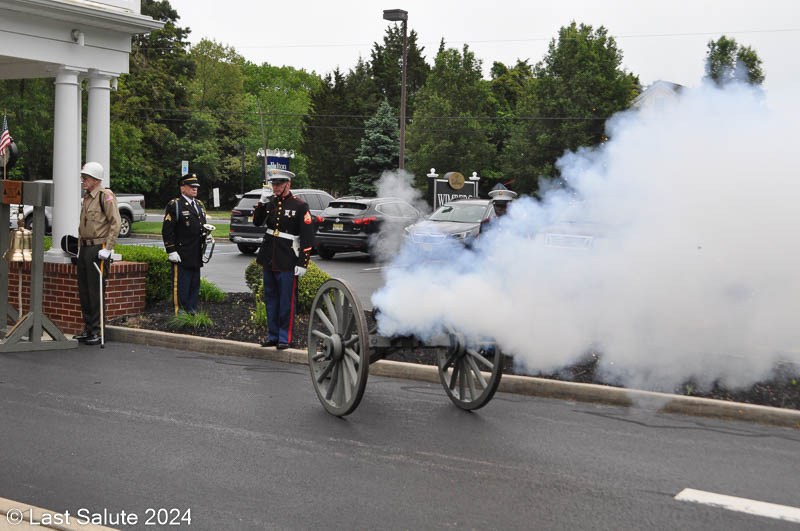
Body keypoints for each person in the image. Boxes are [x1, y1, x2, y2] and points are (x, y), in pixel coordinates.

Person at [253, 169, 314, 349]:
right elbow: (257, 222)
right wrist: (261, 203)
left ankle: (284, 338)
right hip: (269, 257)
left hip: (287, 259)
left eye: (279, 184)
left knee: (286, 301)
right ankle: (272, 335)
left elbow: (307, 236)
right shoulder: (270, 203)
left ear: (288, 184)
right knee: (271, 299)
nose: (276, 187)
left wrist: (303, 262)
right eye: (274, 184)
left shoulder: (300, 206)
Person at [74, 161, 121, 345]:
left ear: (95, 179)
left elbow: (115, 222)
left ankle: (97, 330)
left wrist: (108, 248)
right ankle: (88, 328)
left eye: (86, 178)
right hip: (85, 247)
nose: (83, 180)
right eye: (83, 177)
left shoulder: (105, 196)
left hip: (98, 248)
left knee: (95, 291)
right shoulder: (87, 197)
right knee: (84, 291)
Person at [162, 174, 207, 314]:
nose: (195, 189)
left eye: (196, 187)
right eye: (191, 186)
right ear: (182, 188)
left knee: (194, 284)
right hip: (181, 253)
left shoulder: (199, 205)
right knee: (181, 285)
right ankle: (180, 313)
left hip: (196, 252)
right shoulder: (175, 204)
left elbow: (201, 225)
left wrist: (207, 236)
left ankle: (191, 311)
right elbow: (167, 230)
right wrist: (171, 250)